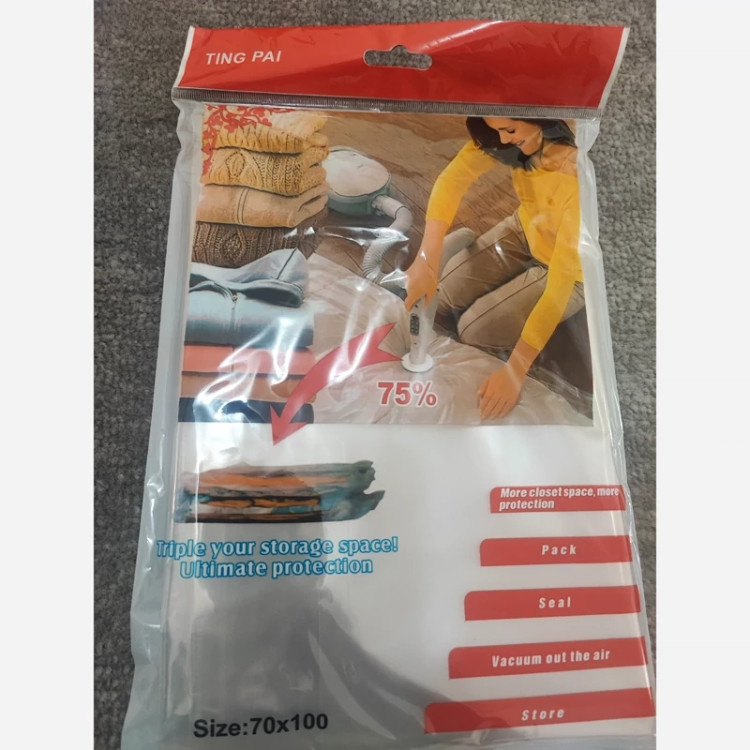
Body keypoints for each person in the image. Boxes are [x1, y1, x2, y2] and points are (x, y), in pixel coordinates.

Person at [405, 117, 584, 420]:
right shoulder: (510, 137)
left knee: (474, 330)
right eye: (496, 130)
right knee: (444, 295)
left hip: (570, 272)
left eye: (509, 130)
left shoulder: (576, 178)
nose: (501, 140)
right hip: (525, 228)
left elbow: (558, 289)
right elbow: (453, 179)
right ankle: (462, 246)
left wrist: (514, 371)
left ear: (538, 117)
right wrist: (427, 256)